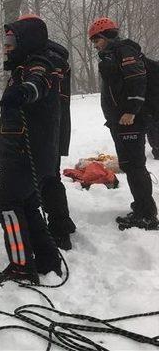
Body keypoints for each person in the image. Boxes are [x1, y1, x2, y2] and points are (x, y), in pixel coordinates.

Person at [0, 15, 61, 285]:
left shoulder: (39, 64)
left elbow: (37, 84)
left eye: (11, 40)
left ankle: (21, 267)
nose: (6, 46)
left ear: (27, 40)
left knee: (5, 203)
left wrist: (22, 93)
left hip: (24, 154)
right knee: (28, 204)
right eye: (5, 41)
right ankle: (47, 259)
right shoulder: (22, 67)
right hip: (23, 153)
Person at [89, 17, 158, 230]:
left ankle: (147, 216)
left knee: (135, 166)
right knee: (130, 164)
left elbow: (137, 79)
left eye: (96, 40)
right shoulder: (114, 53)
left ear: (104, 36)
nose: (95, 45)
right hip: (122, 121)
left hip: (131, 120)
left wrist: (131, 110)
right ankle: (142, 208)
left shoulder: (124, 51)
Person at [40, 40, 76, 250]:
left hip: (48, 129)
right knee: (51, 176)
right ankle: (63, 222)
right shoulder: (58, 58)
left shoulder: (49, 60)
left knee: (49, 179)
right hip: (55, 127)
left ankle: (59, 230)